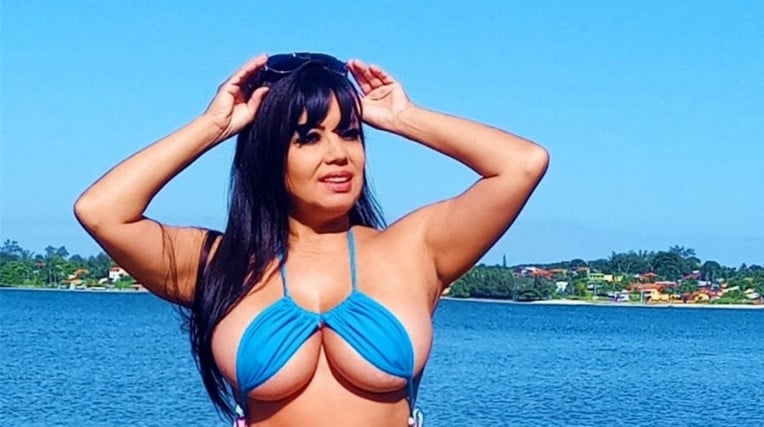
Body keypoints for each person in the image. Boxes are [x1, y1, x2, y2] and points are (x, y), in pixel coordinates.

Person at [74, 52, 549, 426]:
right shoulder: (220, 263)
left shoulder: (414, 249)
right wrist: (214, 127)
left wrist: (404, 117)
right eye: (309, 138)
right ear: (268, 153)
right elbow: (101, 211)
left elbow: (521, 163)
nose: (338, 154)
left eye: (350, 133)